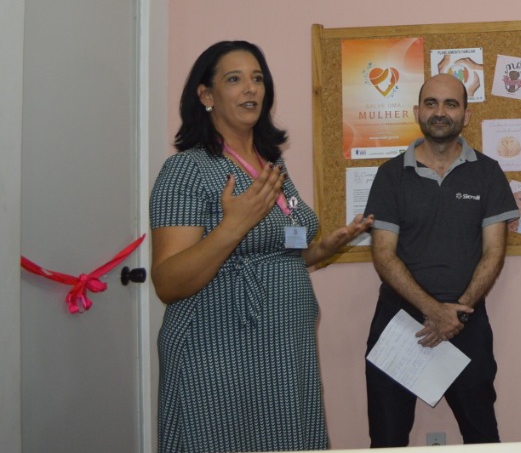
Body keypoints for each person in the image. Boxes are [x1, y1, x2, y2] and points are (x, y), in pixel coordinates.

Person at [150, 40, 373, 453]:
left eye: (257, 78)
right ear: (206, 95)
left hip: (284, 349)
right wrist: (233, 226)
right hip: (217, 349)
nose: (250, 88)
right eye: (234, 79)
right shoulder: (186, 170)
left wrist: (322, 250)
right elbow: (168, 282)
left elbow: (274, 253)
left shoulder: (272, 165)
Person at [364, 73, 520, 446]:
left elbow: (494, 252)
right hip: (399, 322)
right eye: (431, 103)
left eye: (451, 104)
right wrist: (433, 310)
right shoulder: (390, 176)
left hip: (465, 321)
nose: (440, 112)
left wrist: (455, 314)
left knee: (482, 436)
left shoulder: (487, 173)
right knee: (387, 440)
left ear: (466, 115)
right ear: (417, 111)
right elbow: (383, 255)